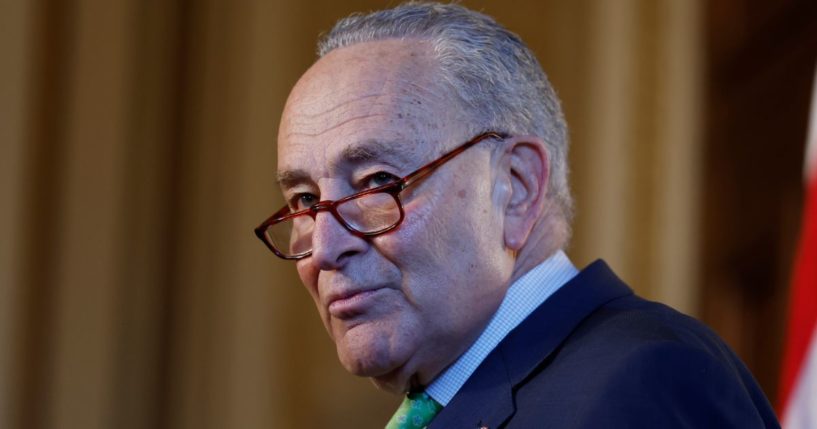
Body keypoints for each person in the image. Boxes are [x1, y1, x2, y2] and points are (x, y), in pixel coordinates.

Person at [255, 2, 779, 427]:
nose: (323, 248)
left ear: (516, 188)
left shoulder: (638, 387)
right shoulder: (465, 400)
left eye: (378, 183)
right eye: (303, 200)